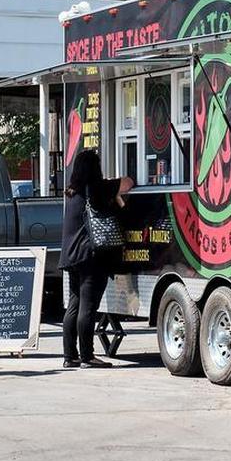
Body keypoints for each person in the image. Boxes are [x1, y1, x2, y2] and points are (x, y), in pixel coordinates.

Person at [59, 149, 133, 369]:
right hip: (91, 255)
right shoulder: (98, 188)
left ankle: (69, 356)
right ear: (95, 169)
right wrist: (112, 184)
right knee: (88, 306)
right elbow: (128, 182)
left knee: (74, 304)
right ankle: (87, 356)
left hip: (71, 255)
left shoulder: (73, 192)